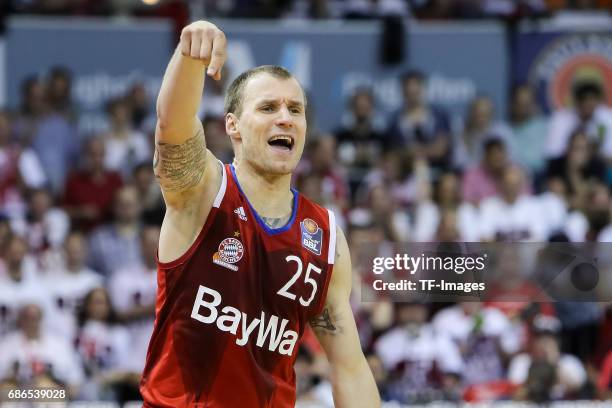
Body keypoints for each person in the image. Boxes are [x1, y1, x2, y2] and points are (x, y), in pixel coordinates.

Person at [139, 21, 380, 407]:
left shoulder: (326, 238)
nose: (285, 118)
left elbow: (349, 368)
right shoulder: (202, 190)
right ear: (231, 125)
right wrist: (189, 57)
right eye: (268, 107)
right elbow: (172, 125)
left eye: (295, 110)